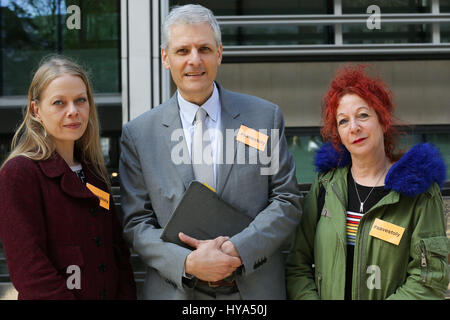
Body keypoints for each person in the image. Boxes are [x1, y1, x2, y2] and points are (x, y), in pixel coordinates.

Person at [119, 4, 302, 300]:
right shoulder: (139, 135)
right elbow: (136, 223)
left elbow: (287, 199)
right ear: (165, 58)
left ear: (219, 53)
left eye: (204, 48)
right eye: (182, 51)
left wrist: (238, 249)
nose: (194, 60)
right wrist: (188, 263)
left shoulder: (263, 118)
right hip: (178, 291)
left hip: (252, 290)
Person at [286, 65, 449, 300]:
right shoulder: (325, 187)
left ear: (382, 121)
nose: (354, 128)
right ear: (339, 134)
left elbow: (429, 280)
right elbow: (297, 266)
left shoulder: (419, 192)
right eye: (343, 121)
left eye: (363, 115)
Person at [0, 55, 137, 300]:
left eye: (80, 100)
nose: (73, 111)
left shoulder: (94, 173)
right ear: (36, 110)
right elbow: (30, 271)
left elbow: (117, 254)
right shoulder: (19, 173)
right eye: (59, 103)